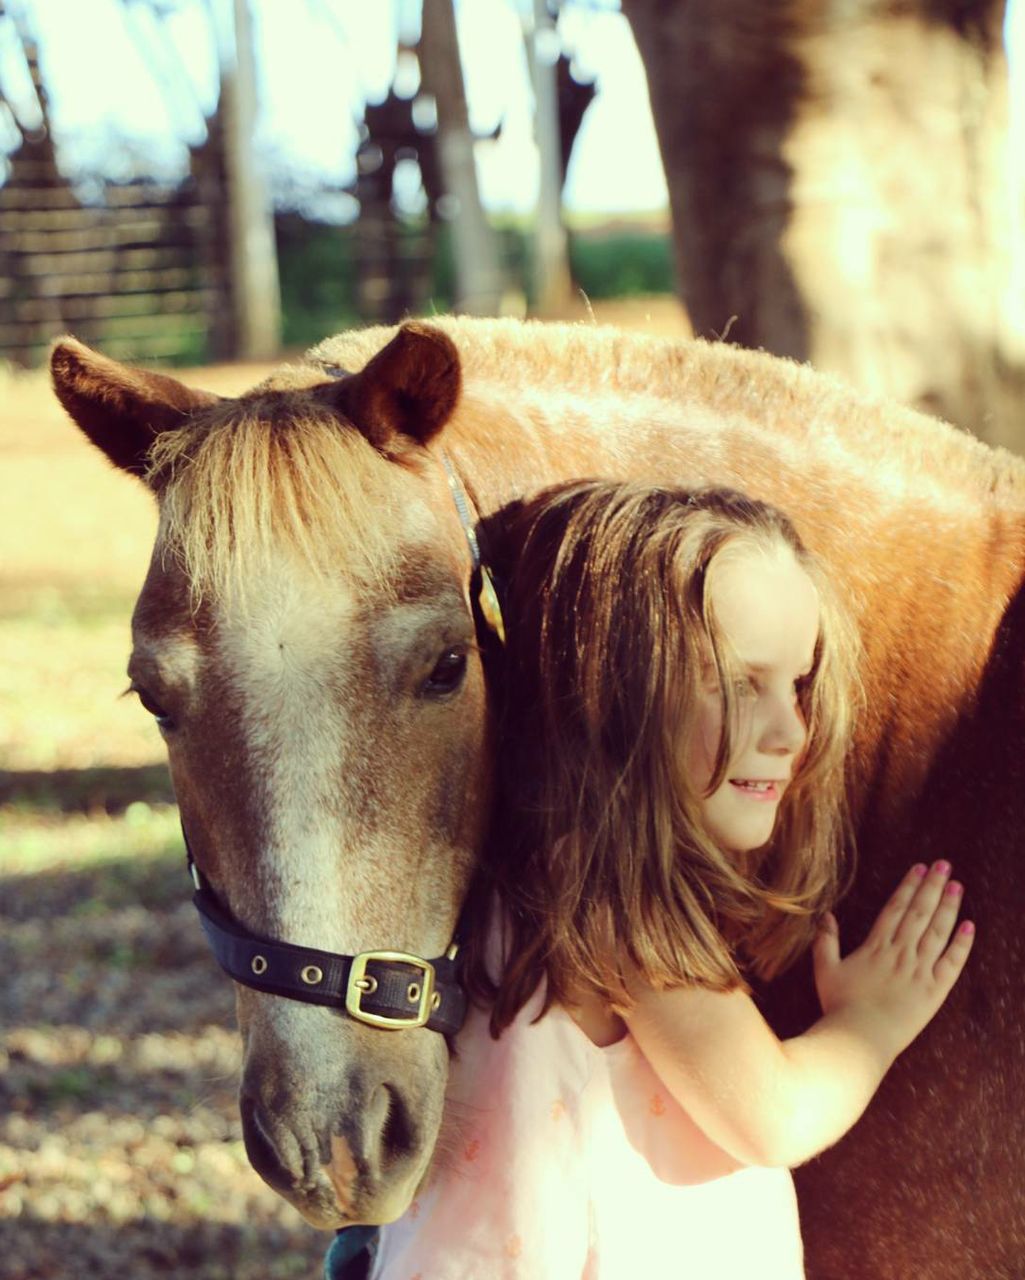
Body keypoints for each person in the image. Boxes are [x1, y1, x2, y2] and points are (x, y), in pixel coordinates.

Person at [330, 481, 974, 1280]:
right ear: (610, 690)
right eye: (741, 684)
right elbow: (773, 1118)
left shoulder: (521, 862)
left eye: (797, 685)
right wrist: (868, 1025)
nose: (788, 730)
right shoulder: (611, 902)